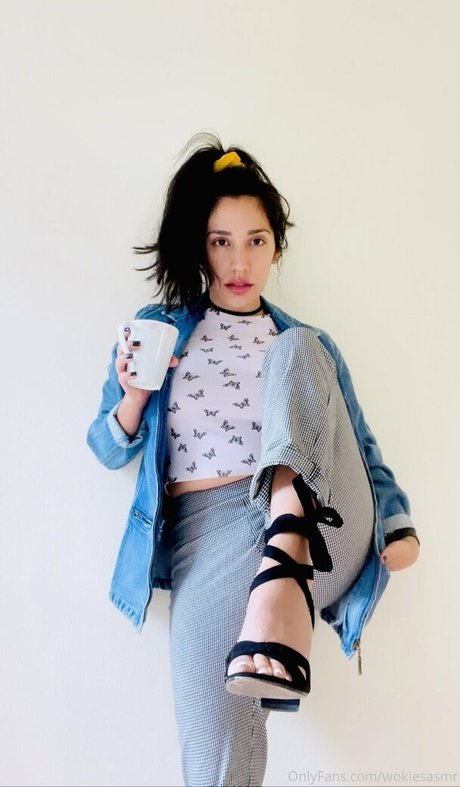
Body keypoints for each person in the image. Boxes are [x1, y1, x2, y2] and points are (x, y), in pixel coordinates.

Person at [87, 133, 420, 787]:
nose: (239, 261)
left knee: (298, 350)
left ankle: (284, 552)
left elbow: (360, 447)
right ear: (199, 245)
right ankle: (275, 599)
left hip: (316, 517)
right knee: (212, 755)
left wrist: (398, 522)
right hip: (202, 539)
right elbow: (105, 447)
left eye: (256, 240)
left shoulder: (304, 341)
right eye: (220, 241)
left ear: (276, 245)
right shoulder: (158, 329)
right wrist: (135, 394)